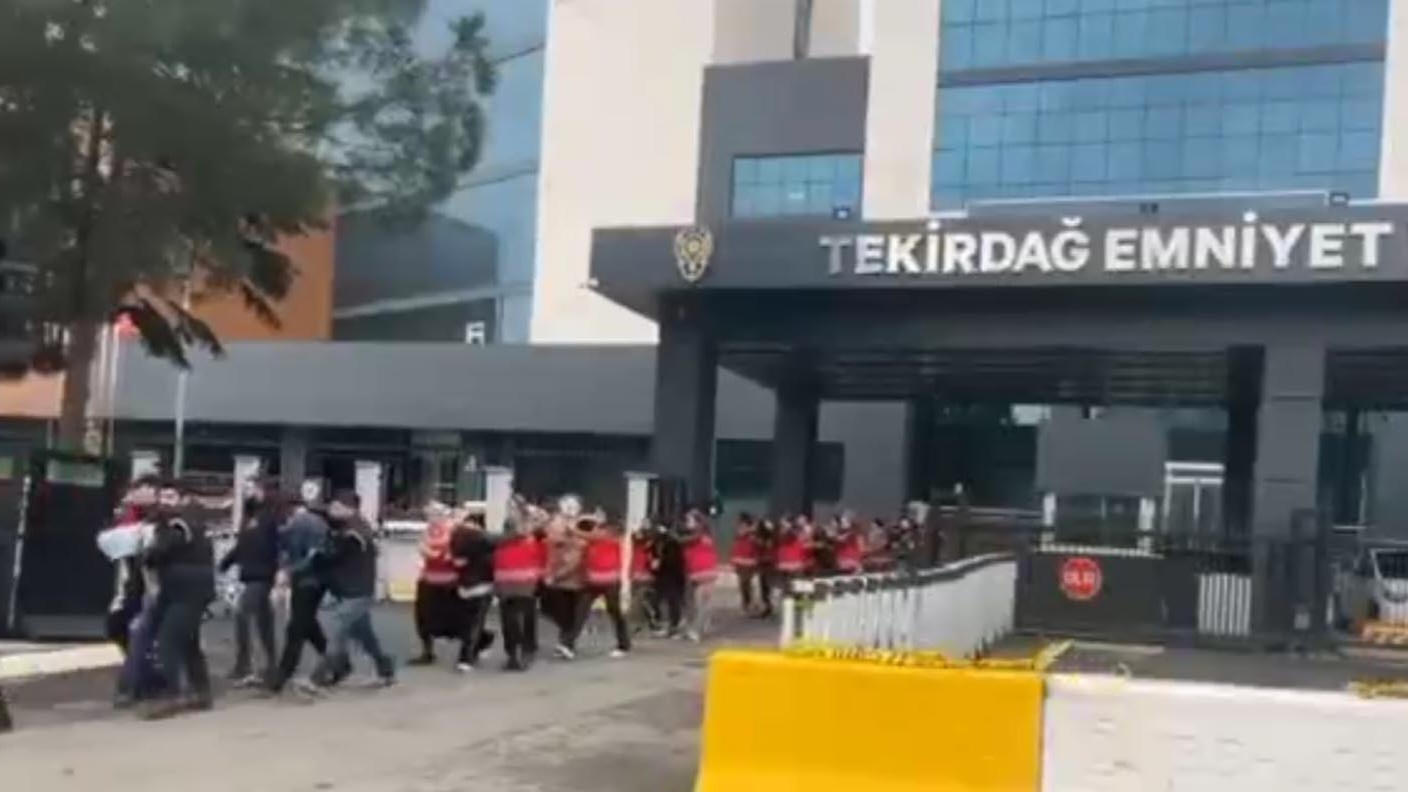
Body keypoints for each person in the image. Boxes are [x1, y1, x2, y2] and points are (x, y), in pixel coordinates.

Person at [142, 479, 216, 719]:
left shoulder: (179, 524)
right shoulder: (191, 522)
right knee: (189, 642)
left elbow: (158, 552)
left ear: (182, 500)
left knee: (168, 642)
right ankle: (201, 693)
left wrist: (146, 551)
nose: (165, 502)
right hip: (187, 590)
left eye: (170, 497)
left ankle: (175, 694)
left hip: (186, 592)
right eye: (162, 497)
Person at [311, 492, 395, 689]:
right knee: (365, 635)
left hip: (357, 591)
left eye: (336, 507)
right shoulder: (349, 527)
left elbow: (332, 555)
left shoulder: (354, 532)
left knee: (336, 627)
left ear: (349, 509)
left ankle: (319, 677)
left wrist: (318, 554)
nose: (331, 511)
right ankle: (385, 670)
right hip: (352, 590)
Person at [266, 484, 331, 694]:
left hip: (307, 580)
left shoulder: (301, 525)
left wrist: (287, 571)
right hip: (315, 580)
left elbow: (305, 556)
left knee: (296, 628)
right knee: (307, 624)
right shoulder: (315, 522)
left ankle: (282, 674)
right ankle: (336, 659)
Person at [218, 478, 284, 686]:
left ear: (261, 490)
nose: (247, 492)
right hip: (251, 574)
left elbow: (281, 543)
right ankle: (272, 665)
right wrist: (225, 562)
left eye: (250, 488)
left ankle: (244, 663)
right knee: (264, 621)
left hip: (264, 574)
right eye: (245, 488)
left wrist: (282, 570)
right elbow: (242, 545)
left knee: (242, 613)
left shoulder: (272, 515)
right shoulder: (248, 516)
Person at [408, 503, 463, 666]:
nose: (432, 518)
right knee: (424, 617)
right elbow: (423, 549)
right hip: (429, 579)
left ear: (444, 515)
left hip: (450, 581)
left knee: (456, 618)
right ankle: (427, 651)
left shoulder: (453, 530)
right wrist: (431, 553)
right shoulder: (427, 531)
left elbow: (452, 553)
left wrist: (436, 554)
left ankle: (475, 644)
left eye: (436, 514)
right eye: (429, 515)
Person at [569, 520, 631, 658]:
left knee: (615, 612)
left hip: (610, 582)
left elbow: (585, 535)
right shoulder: (592, 543)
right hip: (592, 583)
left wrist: (571, 527)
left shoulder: (611, 538)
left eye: (598, 528)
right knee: (580, 611)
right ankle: (568, 644)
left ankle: (624, 644)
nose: (595, 531)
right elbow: (585, 559)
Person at [494, 498, 542, 672]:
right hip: (507, 584)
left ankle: (523, 652)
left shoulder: (530, 534)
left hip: (525, 584)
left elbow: (531, 528)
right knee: (510, 621)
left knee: (521, 619)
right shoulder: (504, 539)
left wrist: (525, 513)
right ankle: (515, 653)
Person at [449, 510, 496, 671]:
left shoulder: (481, 542)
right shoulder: (460, 538)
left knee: (473, 623)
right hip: (466, 586)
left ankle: (466, 657)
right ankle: (484, 639)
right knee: (468, 623)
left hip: (481, 587)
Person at [542, 506, 588, 660]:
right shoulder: (554, 545)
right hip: (560, 584)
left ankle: (566, 644)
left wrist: (554, 577)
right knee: (564, 616)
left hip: (574, 585)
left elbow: (573, 564)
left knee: (570, 617)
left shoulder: (576, 543)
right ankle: (565, 643)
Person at [681, 510, 719, 642]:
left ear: (697, 522)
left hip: (702, 572)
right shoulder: (704, 534)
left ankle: (697, 630)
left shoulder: (698, 535)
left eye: (689, 520)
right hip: (702, 572)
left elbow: (683, 541)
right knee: (701, 603)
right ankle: (700, 627)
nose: (687, 523)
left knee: (699, 604)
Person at [651, 520, 687, 638]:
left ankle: (674, 627)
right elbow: (654, 556)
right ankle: (667, 626)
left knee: (672, 601)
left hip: (673, 576)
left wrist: (660, 563)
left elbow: (675, 560)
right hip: (661, 576)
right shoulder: (656, 542)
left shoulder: (672, 543)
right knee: (662, 601)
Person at [730, 513, 761, 615]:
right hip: (740, 561)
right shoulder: (741, 531)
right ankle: (747, 604)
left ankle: (750, 604)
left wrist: (752, 530)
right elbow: (740, 534)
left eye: (741, 522)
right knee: (743, 584)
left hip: (749, 561)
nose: (740, 524)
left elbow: (756, 542)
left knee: (747, 583)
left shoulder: (753, 534)